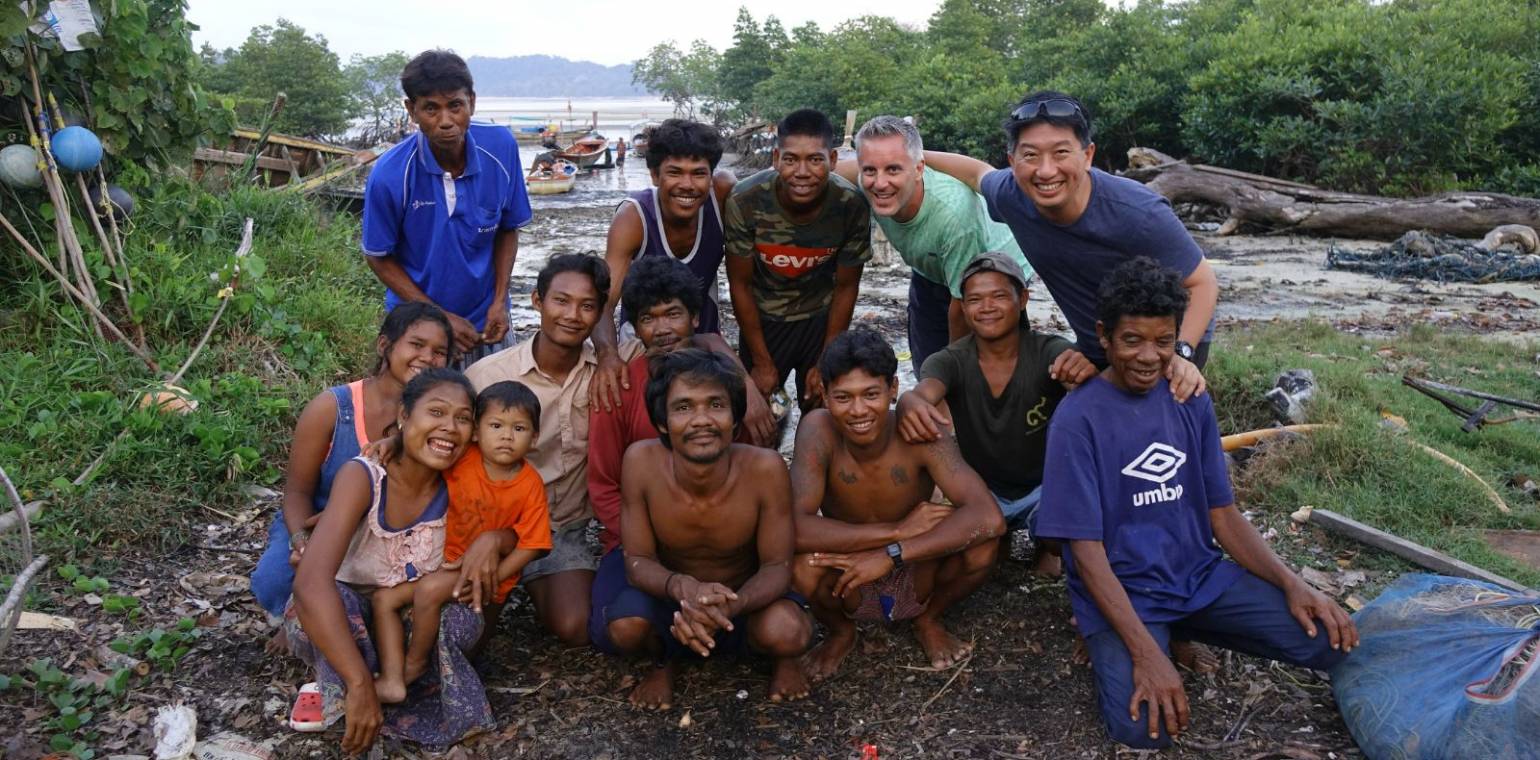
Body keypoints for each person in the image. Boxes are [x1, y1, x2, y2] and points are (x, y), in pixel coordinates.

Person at [1034, 258, 1356, 749]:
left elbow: (1222, 515)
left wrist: (1294, 584)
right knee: (1142, 731)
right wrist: (1146, 654)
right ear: (1103, 336)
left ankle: (1180, 625)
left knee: (1328, 642)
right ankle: (1125, 636)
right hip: (1128, 590)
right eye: (1132, 341)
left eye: (1163, 342)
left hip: (1197, 578)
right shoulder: (1077, 420)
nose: (1148, 356)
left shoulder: (1189, 398)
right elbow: (1087, 553)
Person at [923, 91, 1218, 402]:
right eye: (1031, 155)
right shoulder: (1012, 194)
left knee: (1146, 429)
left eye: (1061, 153)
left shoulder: (1138, 214)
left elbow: (1202, 282)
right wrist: (910, 155)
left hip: (1163, 341)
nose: (1046, 170)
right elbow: (976, 172)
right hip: (1101, 341)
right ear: (1013, 161)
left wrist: (1181, 353)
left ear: (1088, 155)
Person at [287, 369, 511, 753]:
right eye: (436, 412)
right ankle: (355, 682)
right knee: (326, 603)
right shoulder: (365, 477)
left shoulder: (470, 477)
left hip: (412, 630)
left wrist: (495, 538)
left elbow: (524, 521)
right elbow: (310, 583)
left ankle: (391, 685)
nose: (450, 428)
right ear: (404, 415)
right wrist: (359, 682)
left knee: (459, 607)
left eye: (462, 419)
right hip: (351, 620)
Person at [594, 349, 812, 707]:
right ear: (662, 422)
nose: (701, 420)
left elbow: (777, 567)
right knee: (625, 627)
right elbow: (638, 560)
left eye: (715, 405)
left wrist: (734, 604)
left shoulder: (766, 468)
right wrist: (682, 587)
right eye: (683, 408)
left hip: (743, 598)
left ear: (734, 417)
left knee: (790, 633)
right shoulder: (640, 462)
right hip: (667, 597)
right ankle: (665, 659)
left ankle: (782, 659)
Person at [790, 329, 1006, 679]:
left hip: (917, 564)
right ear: (825, 396)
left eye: (871, 394)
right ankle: (841, 631)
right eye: (843, 397)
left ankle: (928, 618)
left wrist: (895, 552)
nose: (858, 410)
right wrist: (894, 532)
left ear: (893, 389)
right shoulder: (818, 430)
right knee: (801, 565)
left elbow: (989, 518)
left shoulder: (918, 430)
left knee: (983, 547)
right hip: (851, 572)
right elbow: (793, 527)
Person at [463, 254, 633, 646]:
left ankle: (540, 580)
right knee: (469, 632)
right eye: (561, 301)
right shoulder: (489, 377)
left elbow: (673, 345)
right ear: (537, 302)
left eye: (587, 306)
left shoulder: (611, 370)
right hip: (492, 523)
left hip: (562, 529)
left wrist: (608, 352)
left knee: (576, 626)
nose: (572, 315)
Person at [896, 252, 1096, 575]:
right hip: (983, 490)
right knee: (969, 550)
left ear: (1023, 300)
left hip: (1045, 487)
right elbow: (923, 393)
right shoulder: (949, 360)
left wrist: (1084, 372)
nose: (986, 307)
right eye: (975, 299)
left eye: (999, 296)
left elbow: (1094, 391)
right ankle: (1008, 537)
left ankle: (1042, 540)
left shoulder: (1051, 351)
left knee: (1063, 540)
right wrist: (909, 402)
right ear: (962, 307)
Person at [251, 303, 453, 618]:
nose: (428, 357)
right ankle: (304, 617)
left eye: (440, 352)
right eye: (416, 344)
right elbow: (297, 492)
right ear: (384, 345)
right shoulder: (332, 409)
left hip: (396, 533)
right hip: (322, 522)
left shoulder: (441, 417)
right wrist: (301, 541)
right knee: (275, 583)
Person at [371, 381, 551, 704]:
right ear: (477, 433)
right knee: (384, 600)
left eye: (519, 428)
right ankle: (391, 675)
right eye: (496, 426)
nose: (507, 436)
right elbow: (426, 447)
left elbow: (534, 544)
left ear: (534, 438)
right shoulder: (465, 458)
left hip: (481, 574)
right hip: (443, 560)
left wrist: (492, 578)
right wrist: (394, 440)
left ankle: (414, 664)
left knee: (428, 592)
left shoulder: (530, 485)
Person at [588, 255, 772, 565]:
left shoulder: (726, 382)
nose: (662, 329)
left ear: (695, 317)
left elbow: (751, 469)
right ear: (635, 327)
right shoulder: (620, 388)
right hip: (640, 541)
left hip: (726, 537)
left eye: (673, 314)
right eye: (648, 318)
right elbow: (604, 485)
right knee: (627, 615)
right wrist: (648, 541)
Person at [362, 50, 532, 367]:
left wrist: (499, 301)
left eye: (455, 106)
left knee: (494, 410)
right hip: (416, 323)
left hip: (485, 322)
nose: (445, 122)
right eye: (431, 109)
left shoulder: (500, 147)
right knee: (418, 411)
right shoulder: (390, 175)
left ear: (472, 102)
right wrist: (438, 317)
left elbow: (508, 227)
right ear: (412, 110)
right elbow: (378, 256)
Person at [834, 116, 1031, 372]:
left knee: (989, 368)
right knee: (926, 365)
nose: (880, 183)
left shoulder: (954, 217)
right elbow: (818, 175)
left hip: (994, 269)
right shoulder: (865, 180)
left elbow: (960, 308)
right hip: (931, 267)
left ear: (918, 169)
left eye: (893, 169)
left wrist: (950, 375)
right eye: (870, 170)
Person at [590, 120, 749, 417]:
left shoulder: (724, 193)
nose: (687, 185)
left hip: (703, 334)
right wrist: (608, 356)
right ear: (654, 175)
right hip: (642, 344)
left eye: (699, 173)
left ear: (711, 176)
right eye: (674, 172)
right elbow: (603, 301)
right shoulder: (633, 217)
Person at [725, 108, 872, 412]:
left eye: (815, 160)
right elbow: (740, 283)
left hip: (821, 320)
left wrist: (825, 359)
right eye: (791, 160)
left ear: (832, 160)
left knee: (823, 414)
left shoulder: (850, 204)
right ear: (776, 158)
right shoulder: (745, 200)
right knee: (759, 419)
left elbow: (847, 287)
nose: (802, 172)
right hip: (763, 322)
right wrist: (762, 362)